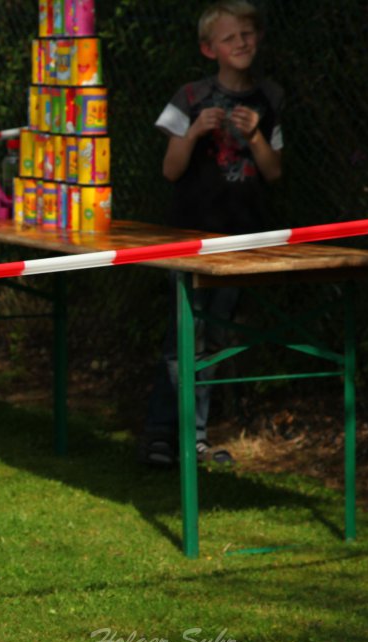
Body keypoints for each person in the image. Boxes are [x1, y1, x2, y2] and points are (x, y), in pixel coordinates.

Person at [143, 0, 283, 467]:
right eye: (230, 37)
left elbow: (274, 172)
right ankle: (163, 437)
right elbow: (169, 169)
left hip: (242, 240)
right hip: (189, 237)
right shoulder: (191, 97)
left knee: (217, 340)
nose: (241, 43)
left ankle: (196, 439)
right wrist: (195, 132)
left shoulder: (269, 98)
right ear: (209, 49)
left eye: (247, 34)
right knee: (182, 337)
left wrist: (258, 136)